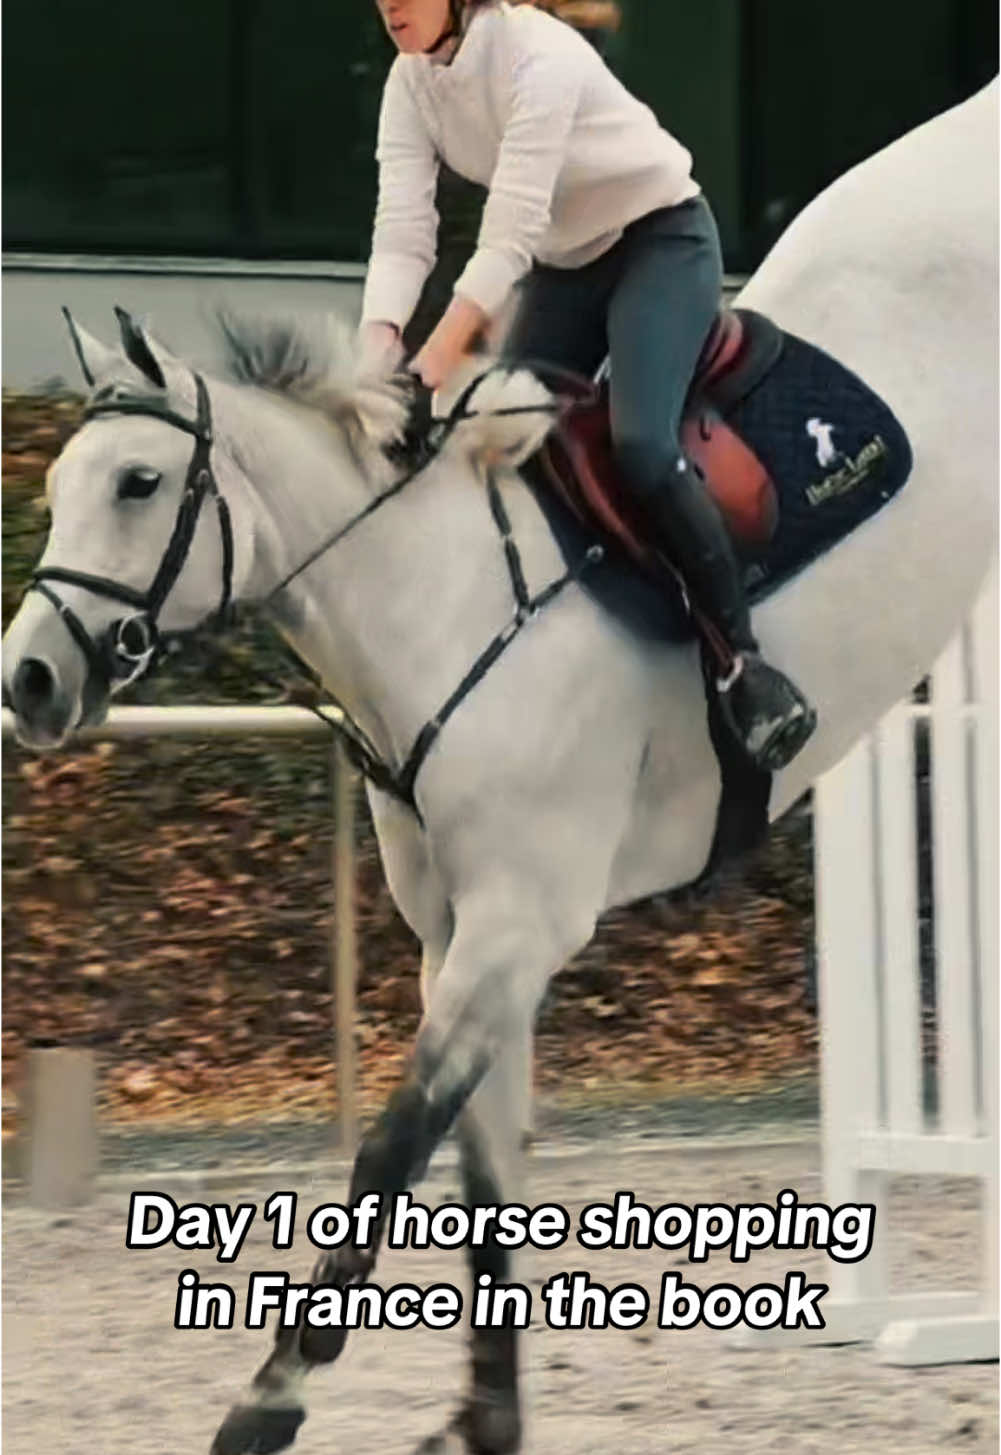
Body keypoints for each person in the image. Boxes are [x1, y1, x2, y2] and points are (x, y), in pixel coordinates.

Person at [358, 0, 815, 773]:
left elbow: (507, 237)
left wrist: (428, 368)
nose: (390, 5)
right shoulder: (409, 85)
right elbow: (403, 232)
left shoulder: (540, 54)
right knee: (494, 452)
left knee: (639, 445)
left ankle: (743, 666)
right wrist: (375, 357)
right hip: (569, 270)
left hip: (659, 244)